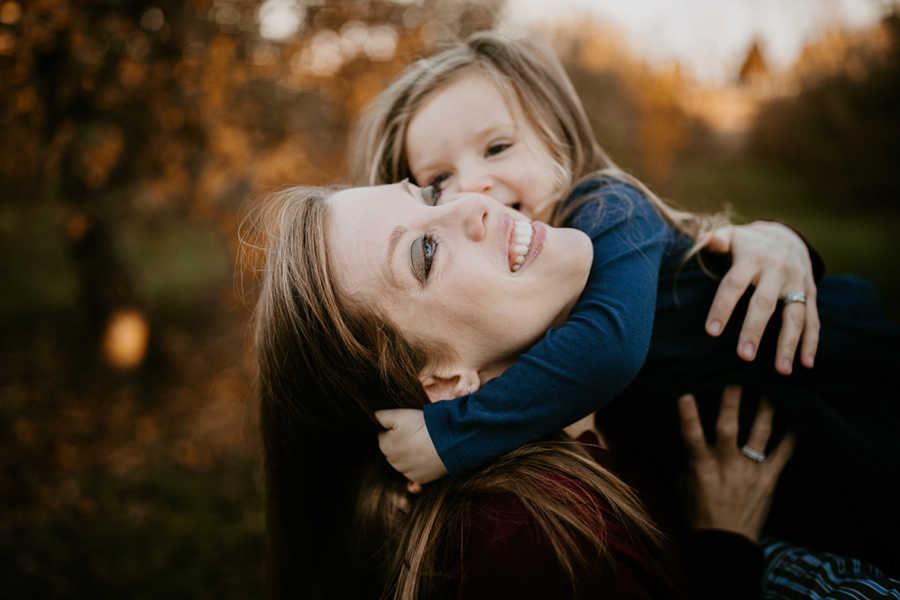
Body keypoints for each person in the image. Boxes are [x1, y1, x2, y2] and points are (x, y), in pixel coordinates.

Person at [348, 32, 900, 572]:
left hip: (840, 387)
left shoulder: (608, 204)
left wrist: (451, 435)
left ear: (560, 143)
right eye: (439, 180)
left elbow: (608, 348)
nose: (472, 187)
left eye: (497, 147)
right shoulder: (512, 328)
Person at [249, 184, 799, 599]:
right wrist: (725, 552)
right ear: (443, 380)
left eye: (432, 193)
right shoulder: (524, 544)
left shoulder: (595, 403)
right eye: (424, 254)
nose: (473, 201)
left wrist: (773, 244)